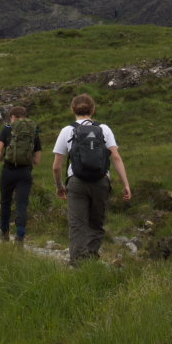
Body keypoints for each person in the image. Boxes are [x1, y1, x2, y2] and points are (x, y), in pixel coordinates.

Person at [52, 93, 131, 265]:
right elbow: (115, 157)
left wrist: (59, 186)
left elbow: (57, 166)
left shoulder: (67, 130)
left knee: (77, 224)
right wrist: (125, 184)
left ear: (72, 109)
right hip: (101, 181)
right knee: (96, 223)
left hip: (76, 182)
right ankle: (91, 259)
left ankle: (77, 263)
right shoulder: (104, 129)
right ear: (93, 110)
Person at [0, 105, 42, 243]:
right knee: (21, 204)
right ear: (25, 116)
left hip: (8, 171)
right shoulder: (33, 131)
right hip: (25, 172)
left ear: (12, 117)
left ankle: (4, 233)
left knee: (5, 202)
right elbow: (37, 160)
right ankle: (20, 235)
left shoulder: (7, 129)